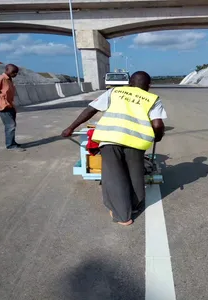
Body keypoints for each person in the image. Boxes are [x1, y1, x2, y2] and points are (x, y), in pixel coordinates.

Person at [62, 71, 167, 226]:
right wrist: (157, 137)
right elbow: (157, 124)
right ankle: (135, 206)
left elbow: (91, 109)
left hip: (110, 139)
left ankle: (123, 216)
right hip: (136, 142)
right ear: (148, 85)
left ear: (130, 83)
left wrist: (71, 128)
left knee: (114, 177)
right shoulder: (153, 99)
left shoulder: (114, 92)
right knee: (135, 175)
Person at [0, 64, 25, 151]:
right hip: (2, 107)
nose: (15, 74)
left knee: (12, 125)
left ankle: (12, 142)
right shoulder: (0, 79)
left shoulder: (9, 80)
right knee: (10, 125)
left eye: (16, 73)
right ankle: (10, 146)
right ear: (7, 70)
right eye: (13, 72)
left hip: (10, 106)